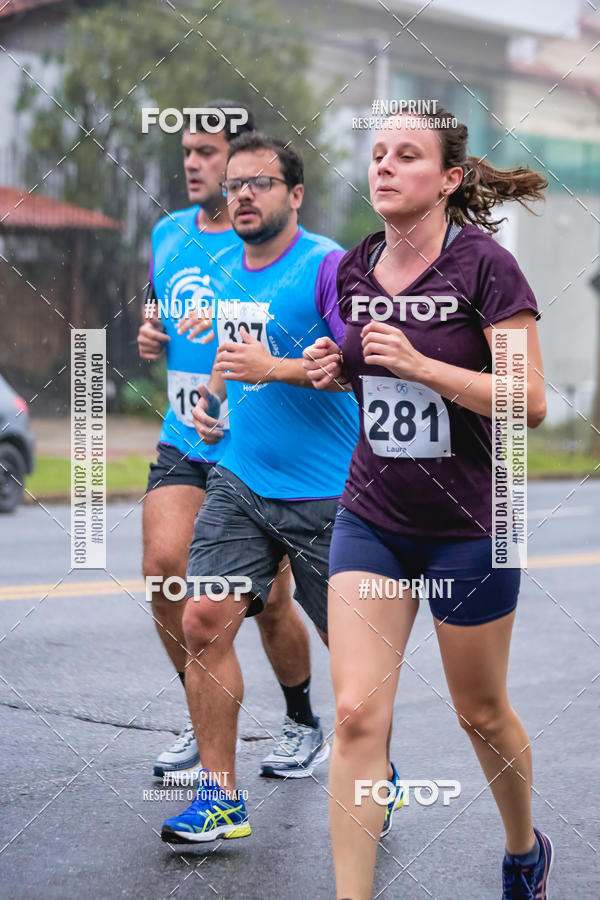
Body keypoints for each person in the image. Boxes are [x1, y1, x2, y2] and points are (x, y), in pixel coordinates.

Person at [302, 106, 552, 899]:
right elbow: (363, 366)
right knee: (353, 714)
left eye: (406, 156)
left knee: (479, 713)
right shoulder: (355, 266)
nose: (382, 167)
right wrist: (328, 364)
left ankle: (523, 848)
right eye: (376, 155)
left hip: (474, 525)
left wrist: (420, 367)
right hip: (372, 514)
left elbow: (531, 400)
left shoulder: (487, 269)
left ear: (447, 179)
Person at [161, 132, 378, 844]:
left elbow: (356, 365)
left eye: (258, 183)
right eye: (234, 186)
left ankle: (375, 764)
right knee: (201, 620)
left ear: (296, 194)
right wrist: (215, 403)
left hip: (326, 490)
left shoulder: (328, 268)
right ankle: (220, 797)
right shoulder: (223, 266)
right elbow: (232, 346)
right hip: (241, 478)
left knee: (349, 654)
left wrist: (272, 369)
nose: (242, 195)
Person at [138, 104, 317, 783]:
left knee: (267, 605)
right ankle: (201, 712)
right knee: (163, 571)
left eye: (207, 153)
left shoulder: (270, 246)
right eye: (187, 151)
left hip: (253, 443)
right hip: (188, 431)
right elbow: (155, 297)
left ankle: (301, 719)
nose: (192, 164)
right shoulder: (168, 231)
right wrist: (151, 331)